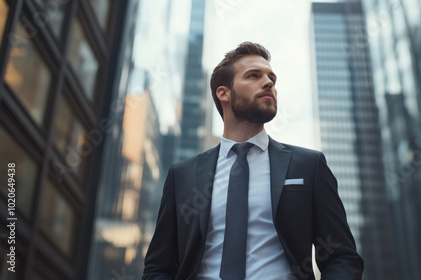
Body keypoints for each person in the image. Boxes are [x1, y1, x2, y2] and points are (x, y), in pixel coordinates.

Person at [142, 42, 363, 280]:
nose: (268, 83)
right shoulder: (182, 175)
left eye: (271, 78)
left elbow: (342, 257)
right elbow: (159, 267)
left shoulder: (309, 165)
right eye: (253, 76)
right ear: (223, 93)